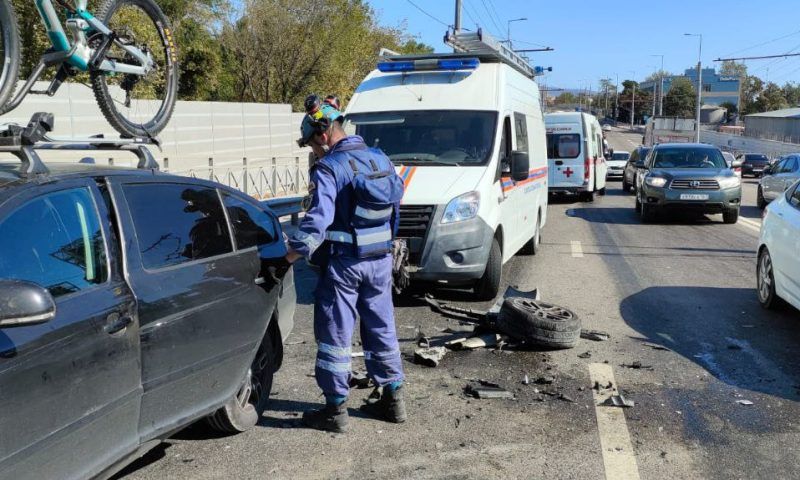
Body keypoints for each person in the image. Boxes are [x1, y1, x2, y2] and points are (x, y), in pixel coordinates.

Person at [285, 94, 406, 433]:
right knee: (381, 326)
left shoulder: (330, 167)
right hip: (381, 261)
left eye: (311, 143)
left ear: (323, 133)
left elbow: (318, 221)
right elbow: (396, 206)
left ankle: (335, 409)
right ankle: (393, 398)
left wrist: (291, 254)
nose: (313, 151)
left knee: (335, 335)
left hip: (344, 267)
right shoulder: (380, 159)